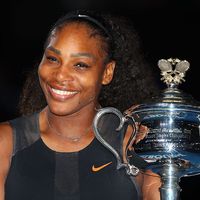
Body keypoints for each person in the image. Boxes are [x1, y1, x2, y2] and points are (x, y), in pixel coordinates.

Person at [0, 10, 161, 200]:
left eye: (80, 65)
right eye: (52, 59)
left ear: (107, 72)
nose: (60, 76)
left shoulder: (134, 144)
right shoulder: (6, 142)